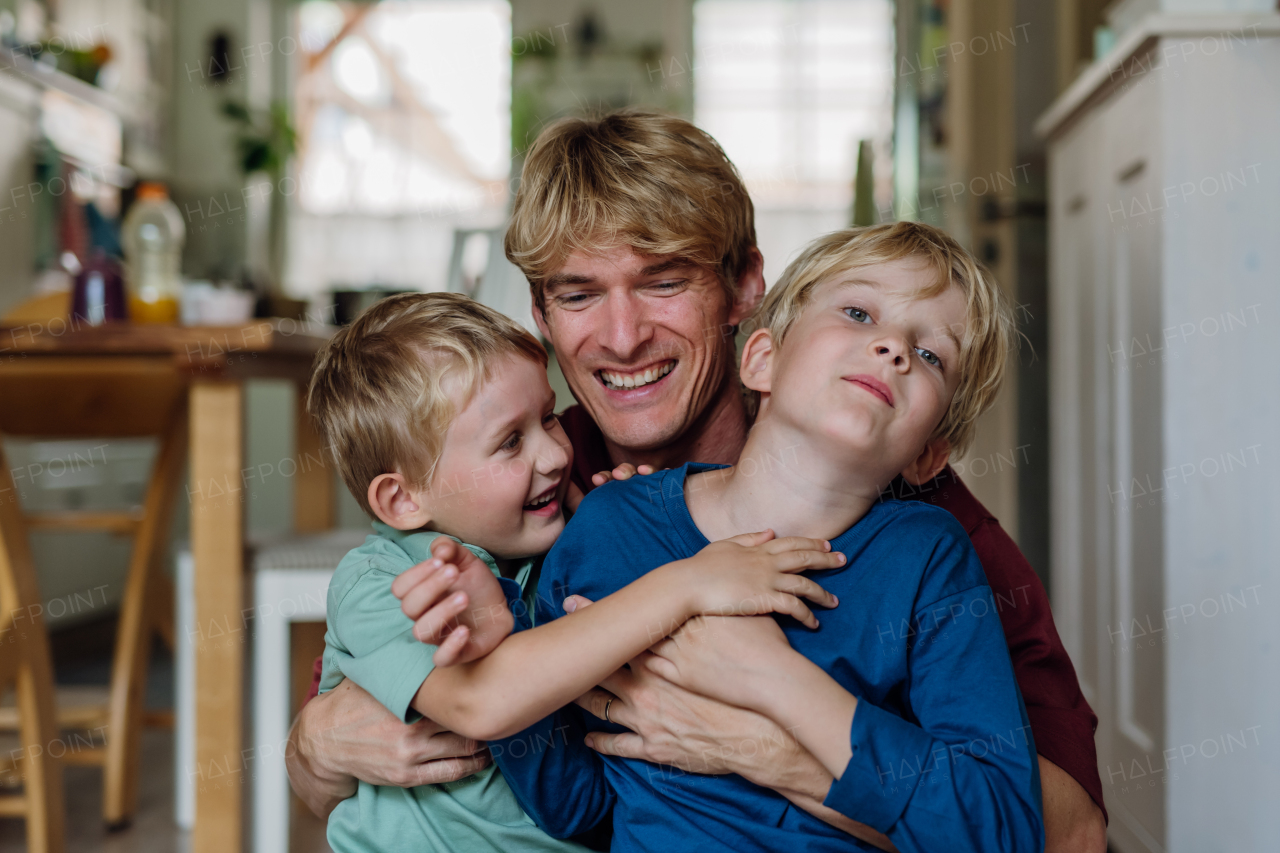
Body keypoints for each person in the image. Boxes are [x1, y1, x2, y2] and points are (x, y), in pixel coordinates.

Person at [287, 109, 1107, 852]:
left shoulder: (925, 521)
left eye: (665, 280)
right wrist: (317, 744)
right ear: (542, 318)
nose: (622, 335)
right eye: (578, 294)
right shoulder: (526, 475)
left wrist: (772, 747)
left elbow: (1063, 836)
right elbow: (528, 778)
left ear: (746, 289)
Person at [481, 220, 1043, 852]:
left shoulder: (929, 559)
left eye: (932, 354)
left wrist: (773, 677)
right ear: (762, 359)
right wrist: (494, 642)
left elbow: (1005, 834)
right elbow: (577, 806)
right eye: (858, 313)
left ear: (929, 456)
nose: (894, 349)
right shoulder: (613, 527)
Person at [305, 292, 842, 852]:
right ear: (402, 500)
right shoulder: (382, 581)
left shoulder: (553, 548)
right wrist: (686, 582)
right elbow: (481, 702)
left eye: (547, 419)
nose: (555, 455)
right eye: (511, 441)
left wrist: (626, 535)